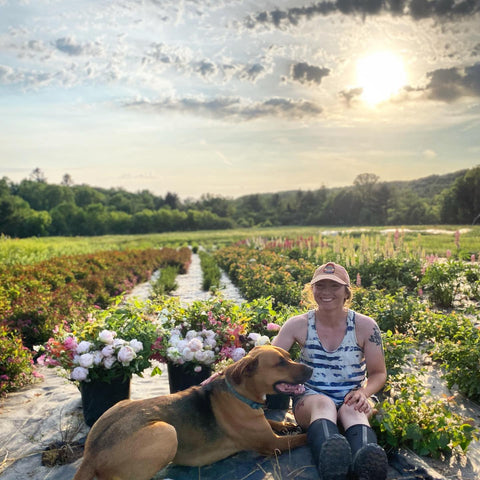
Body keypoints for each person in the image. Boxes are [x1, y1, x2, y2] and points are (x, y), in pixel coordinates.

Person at [272, 261, 388, 480]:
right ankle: (332, 461)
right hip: (311, 400)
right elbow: (269, 359)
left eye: (334, 286)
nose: (326, 292)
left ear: (346, 292)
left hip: (351, 396)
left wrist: (363, 393)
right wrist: (281, 382)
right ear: (312, 290)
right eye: (320, 285)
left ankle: (366, 461)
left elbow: (378, 373)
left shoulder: (365, 326)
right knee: (323, 404)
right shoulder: (298, 325)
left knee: (352, 410)